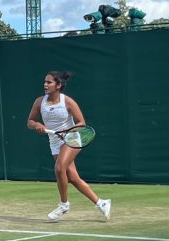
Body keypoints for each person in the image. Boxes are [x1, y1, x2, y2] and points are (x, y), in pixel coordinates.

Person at [27, 71, 111, 222]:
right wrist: (37, 125)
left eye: (49, 82)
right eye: (45, 82)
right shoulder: (39, 102)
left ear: (58, 85)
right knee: (72, 177)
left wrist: (67, 132)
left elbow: (81, 123)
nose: (45, 85)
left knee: (59, 168)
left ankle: (64, 204)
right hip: (54, 141)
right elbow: (30, 121)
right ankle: (101, 203)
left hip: (72, 138)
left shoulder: (68, 102)